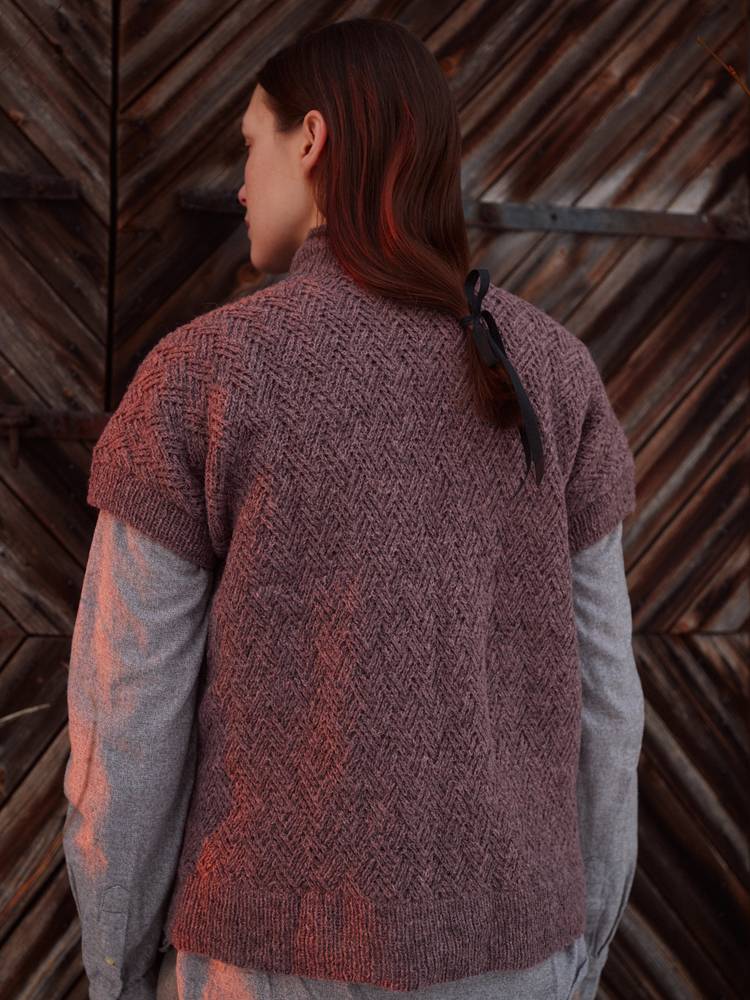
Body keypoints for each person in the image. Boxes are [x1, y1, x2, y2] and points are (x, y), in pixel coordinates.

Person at [62, 16, 643, 1000]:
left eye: (251, 143)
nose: (241, 185)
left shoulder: (203, 374)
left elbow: (127, 716)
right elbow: (608, 705)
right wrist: (574, 958)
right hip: (516, 967)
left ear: (313, 139)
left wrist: (116, 969)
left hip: (259, 967)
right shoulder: (551, 369)